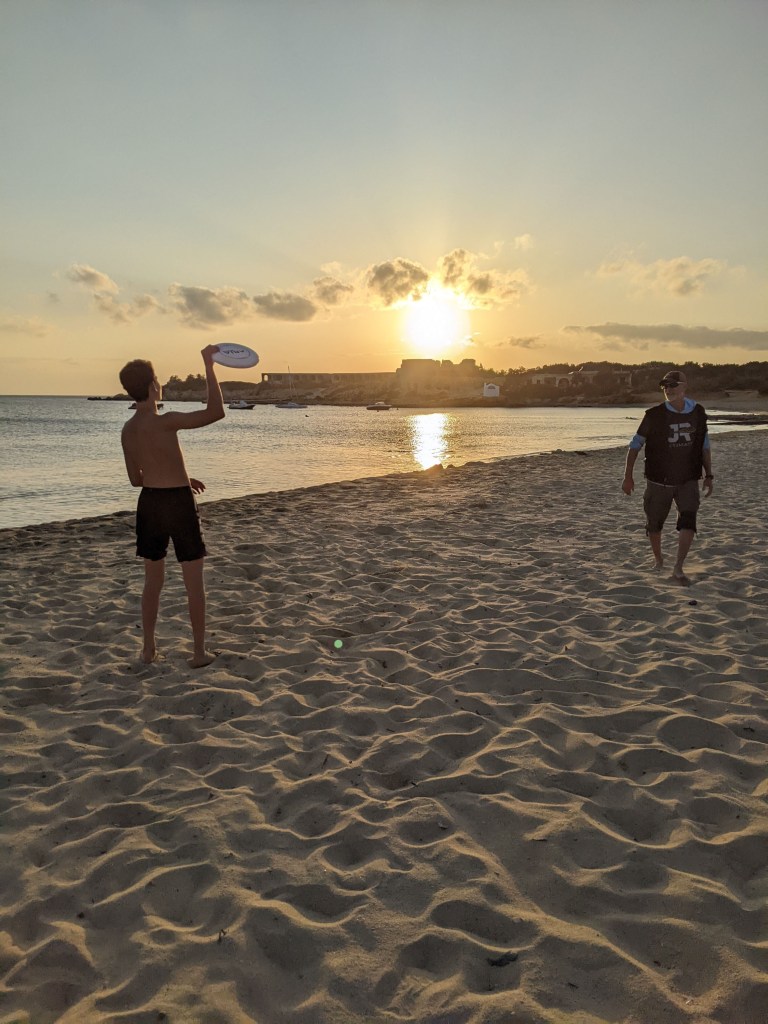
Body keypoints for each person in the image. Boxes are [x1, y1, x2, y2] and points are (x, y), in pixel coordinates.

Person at [119, 345, 225, 666]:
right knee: (194, 583)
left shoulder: (128, 430)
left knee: (153, 582)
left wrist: (180, 476)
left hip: (150, 503)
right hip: (178, 504)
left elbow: (136, 480)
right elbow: (215, 411)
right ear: (154, 386)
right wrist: (209, 366)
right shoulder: (167, 421)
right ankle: (199, 653)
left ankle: (148, 649)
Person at [622, 369, 714, 586]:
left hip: (688, 479)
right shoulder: (654, 415)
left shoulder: (698, 413)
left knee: (688, 520)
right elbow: (635, 446)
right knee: (654, 524)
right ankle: (658, 560)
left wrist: (709, 475)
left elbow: (705, 446)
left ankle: (678, 567)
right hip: (658, 480)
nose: (668, 390)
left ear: (684, 386)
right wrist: (628, 476)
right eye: (665, 386)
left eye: (673, 385)